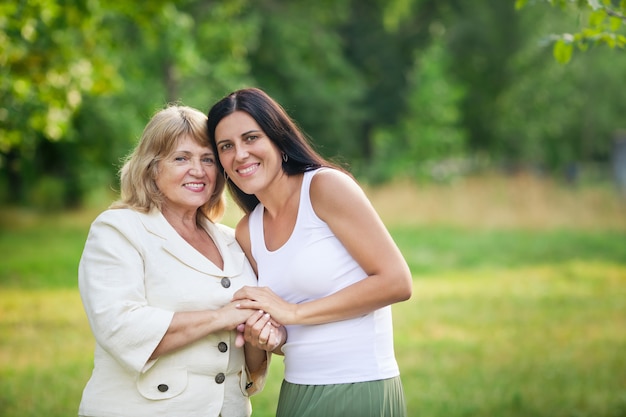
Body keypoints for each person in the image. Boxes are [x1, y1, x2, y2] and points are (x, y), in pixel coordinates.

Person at [206, 88, 413, 417]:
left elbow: (397, 282)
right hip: (297, 392)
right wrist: (269, 336)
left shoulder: (325, 187)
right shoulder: (249, 230)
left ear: (277, 138)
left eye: (250, 138)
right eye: (226, 147)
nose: (240, 154)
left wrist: (292, 313)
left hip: (359, 387)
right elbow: (283, 334)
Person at [77, 105, 278, 417]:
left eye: (207, 159)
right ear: (152, 167)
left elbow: (249, 364)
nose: (198, 170)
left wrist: (258, 336)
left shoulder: (232, 240)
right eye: (181, 158)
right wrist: (220, 317)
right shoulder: (118, 230)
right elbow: (120, 328)